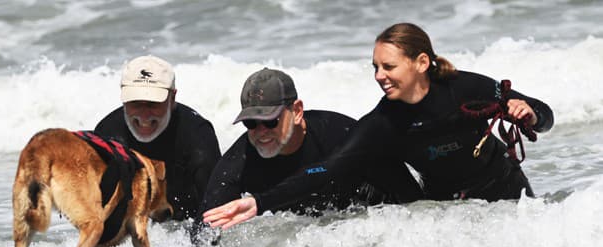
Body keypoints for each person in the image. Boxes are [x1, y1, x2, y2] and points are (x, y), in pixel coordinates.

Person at [204, 23, 555, 230]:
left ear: (420, 62)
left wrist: (530, 114)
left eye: (388, 66)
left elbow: (545, 114)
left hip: (507, 191)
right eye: (374, 67)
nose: (379, 76)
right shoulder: (382, 123)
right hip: (448, 208)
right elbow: (327, 169)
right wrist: (261, 203)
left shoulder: (468, 88)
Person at [203, 67, 422, 216]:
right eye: (250, 123)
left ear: (297, 111)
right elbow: (206, 226)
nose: (261, 132)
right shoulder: (238, 162)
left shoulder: (342, 135)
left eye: (270, 121)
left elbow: (413, 201)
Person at [95, 55, 221, 227]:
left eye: (153, 103)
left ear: (172, 99)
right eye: (135, 103)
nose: (144, 115)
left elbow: (214, 213)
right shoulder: (107, 133)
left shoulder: (198, 137)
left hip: (185, 225)